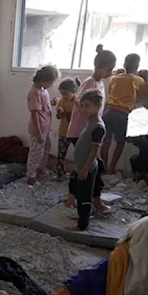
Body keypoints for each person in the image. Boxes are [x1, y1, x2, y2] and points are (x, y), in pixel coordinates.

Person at [65, 44, 116, 214]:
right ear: (98, 67)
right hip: (82, 132)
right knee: (94, 167)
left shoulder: (99, 83)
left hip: (89, 131)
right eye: (108, 69)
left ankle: (74, 197)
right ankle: (94, 201)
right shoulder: (89, 83)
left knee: (83, 166)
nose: (110, 73)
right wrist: (91, 123)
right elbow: (80, 103)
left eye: (112, 70)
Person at [101, 53, 148, 174]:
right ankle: (111, 168)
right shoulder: (137, 80)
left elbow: (110, 91)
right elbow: (144, 94)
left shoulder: (114, 78)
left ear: (123, 64)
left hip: (108, 111)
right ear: (137, 66)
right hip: (122, 114)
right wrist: (145, 78)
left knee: (106, 141)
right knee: (120, 142)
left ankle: (103, 168)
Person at [66, 89, 106, 230]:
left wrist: (84, 169)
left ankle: (82, 225)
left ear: (98, 106)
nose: (84, 109)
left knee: (84, 197)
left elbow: (94, 151)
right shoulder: (90, 123)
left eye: (87, 105)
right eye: (82, 106)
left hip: (87, 168)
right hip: (81, 166)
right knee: (79, 193)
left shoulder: (97, 127)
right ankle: (82, 215)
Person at [26, 64, 60, 185]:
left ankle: (40, 168)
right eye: (50, 82)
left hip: (45, 127)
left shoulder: (43, 90)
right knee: (36, 152)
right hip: (38, 129)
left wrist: (51, 103)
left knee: (46, 148)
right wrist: (39, 133)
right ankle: (31, 174)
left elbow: (43, 106)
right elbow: (35, 113)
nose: (51, 85)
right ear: (44, 80)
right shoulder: (35, 92)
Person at [52, 77, 81, 180]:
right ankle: (60, 173)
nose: (63, 96)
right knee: (61, 155)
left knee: (79, 154)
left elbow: (80, 115)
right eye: (62, 93)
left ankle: (78, 172)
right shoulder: (62, 101)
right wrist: (59, 112)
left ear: (73, 91)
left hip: (76, 133)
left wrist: (68, 114)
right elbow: (58, 116)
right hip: (64, 132)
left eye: (65, 93)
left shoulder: (78, 102)